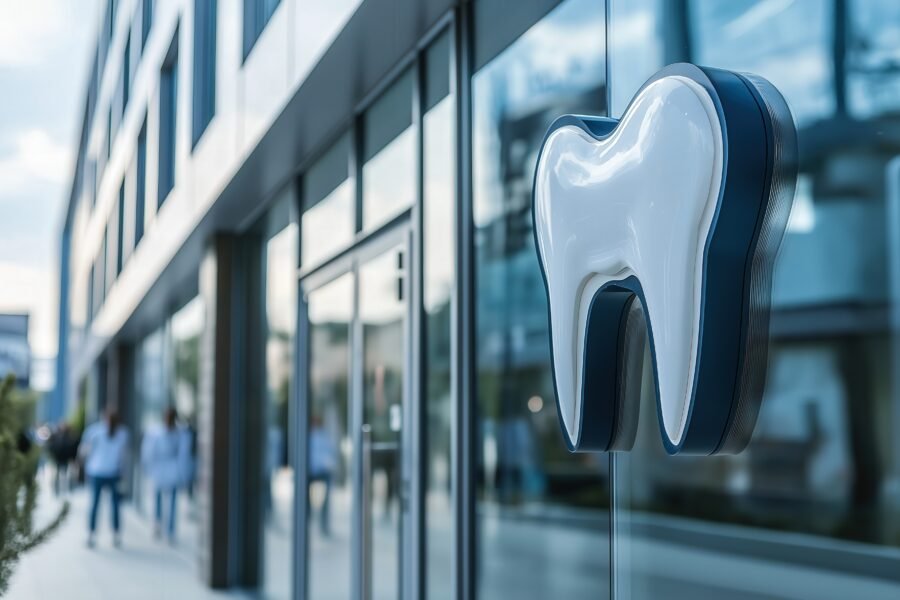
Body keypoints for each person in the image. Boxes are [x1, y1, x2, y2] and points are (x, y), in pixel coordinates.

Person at [80, 409, 129, 548]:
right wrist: (124, 473)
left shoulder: (94, 431)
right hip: (113, 472)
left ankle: (91, 534)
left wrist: (85, 466)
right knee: (115, 505)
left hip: (97, 471)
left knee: (95, 504)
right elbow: (123, 456)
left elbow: (85, 451)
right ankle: (116, 534)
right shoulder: (123, 434)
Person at [141, 407, 190, 543]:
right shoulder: (156, 432)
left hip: (172, 468)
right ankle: (157, 523)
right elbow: (149, 452)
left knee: (172, 501)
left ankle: (170, 530)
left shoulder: (180, 434)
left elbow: (183, 455)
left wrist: (183, 473)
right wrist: (149, 468)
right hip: (159, 467)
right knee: (158, 498)